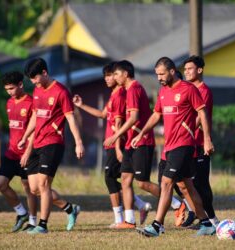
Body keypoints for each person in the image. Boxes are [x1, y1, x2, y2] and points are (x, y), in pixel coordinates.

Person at [133, 57, 215, 237]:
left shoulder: (188, 89)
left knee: (166, 182)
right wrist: (141, 133)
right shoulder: (163, 92)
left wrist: (207, 139)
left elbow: (202, 112)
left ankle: (157, 225)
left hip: (184, 145)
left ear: (171, 71)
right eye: (157, 75)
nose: (159, 78)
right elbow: (156, 115)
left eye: (162, 74)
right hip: (169, 147)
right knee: (187, 187)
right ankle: (207, 223)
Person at [72, 62, 152, 226]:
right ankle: (135, 210)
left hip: (118, 143)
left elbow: (120, 120)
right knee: (121, 179)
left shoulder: (123, 94)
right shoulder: (114, 95)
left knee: (116, 179)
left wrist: (116, 144)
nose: (109, 78)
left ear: (123, 75)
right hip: (115, 142)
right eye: (107, 76)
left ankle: (123, 217)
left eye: (112, 75)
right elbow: (103, 115)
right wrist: (82, 105)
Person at [18, 58, 85, 234]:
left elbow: (70, 118)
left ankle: (42, 225)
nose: (33, 82)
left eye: (35, 78)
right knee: (34, 188)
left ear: (45, 73)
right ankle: (70, 209)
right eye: (31, 79)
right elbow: (35, 116)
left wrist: (78, 143)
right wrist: (25, 137)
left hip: (53, 142)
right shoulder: (38, 90)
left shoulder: (61, 91)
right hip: (37, 142)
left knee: (43, 184)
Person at [104, 60, 159, 229]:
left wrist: (115, 137)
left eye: (116, 74)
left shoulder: (134, 89)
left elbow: (134, 118)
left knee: (142, 182)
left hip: (142, 142)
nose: (114, 77)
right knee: (126, 179)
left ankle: (176, 203)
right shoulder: (127, 90)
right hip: (130, 142)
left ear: (125, 74)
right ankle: (129, 220)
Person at [0, 71, 37, 232]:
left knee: (29, 188)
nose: (9, 92)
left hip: (26, 154)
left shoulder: (31, 103)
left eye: (12, 88)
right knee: (1, 184)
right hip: (11, 153)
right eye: (7, 89)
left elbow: (34, 130)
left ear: (21, 84)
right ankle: (21, 213)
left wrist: (28, 151)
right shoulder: (9, 103)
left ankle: (33, 221)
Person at [181, 55, 219, 227]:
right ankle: (192, 209)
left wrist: (182, 131)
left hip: (198, 143)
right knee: (176, 179)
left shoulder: (204, 91)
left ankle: (211, 220)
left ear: (200, 70)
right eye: (185, 69)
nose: (186, 72)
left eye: (190, 68)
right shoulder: (186, 89)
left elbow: (197, 118)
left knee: (200, 184)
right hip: (185, 143)